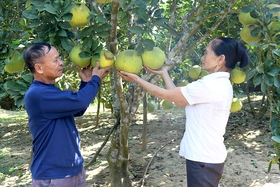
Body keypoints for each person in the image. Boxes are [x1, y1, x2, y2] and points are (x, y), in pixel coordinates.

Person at [119, 37, 249, 187]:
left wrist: (138, 80)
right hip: (207, 157)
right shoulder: (219, 84)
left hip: (203, 159)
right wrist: (164, 74)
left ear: (220, 59)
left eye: (206, 53)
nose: (202, 57)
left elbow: (166, 95)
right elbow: (179, 101)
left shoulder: (210, 85)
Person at [23, 42, 111, 187]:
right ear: (39, 68)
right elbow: (80, 102)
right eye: (55, 60)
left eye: (60, 58)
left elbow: (78, 109)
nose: (61, 63)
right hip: (54, 175)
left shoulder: (50, 90)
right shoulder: (38, 94)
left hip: (72, 170)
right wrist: (95, 79)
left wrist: (86, 82)